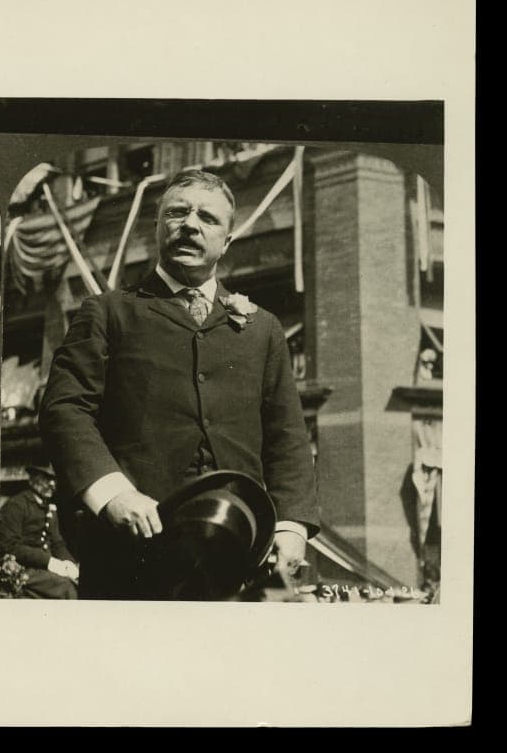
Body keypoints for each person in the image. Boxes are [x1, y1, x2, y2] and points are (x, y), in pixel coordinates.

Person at [39, 168, 319, 599]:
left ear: (227, 241)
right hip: (130, 554)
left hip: (236, 556)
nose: (190, 224)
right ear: (156, 228)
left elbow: (287, 436)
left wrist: (291, 525)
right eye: (177, 213)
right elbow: (65, 409)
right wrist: (113, 494)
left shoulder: (262, 328)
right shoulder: (108, 313)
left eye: (208, 218)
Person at [0, 464, 79, 599]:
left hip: (45, 567)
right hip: (22, 568)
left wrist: (68, 563)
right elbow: (11, 546)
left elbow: (57, 542)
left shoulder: (48, 506)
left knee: (79, 581)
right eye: (47, 478)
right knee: (67, 588)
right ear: (33, 478)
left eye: (55, 480)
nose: (53, 484)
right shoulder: (16, 505)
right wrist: (49, 562)